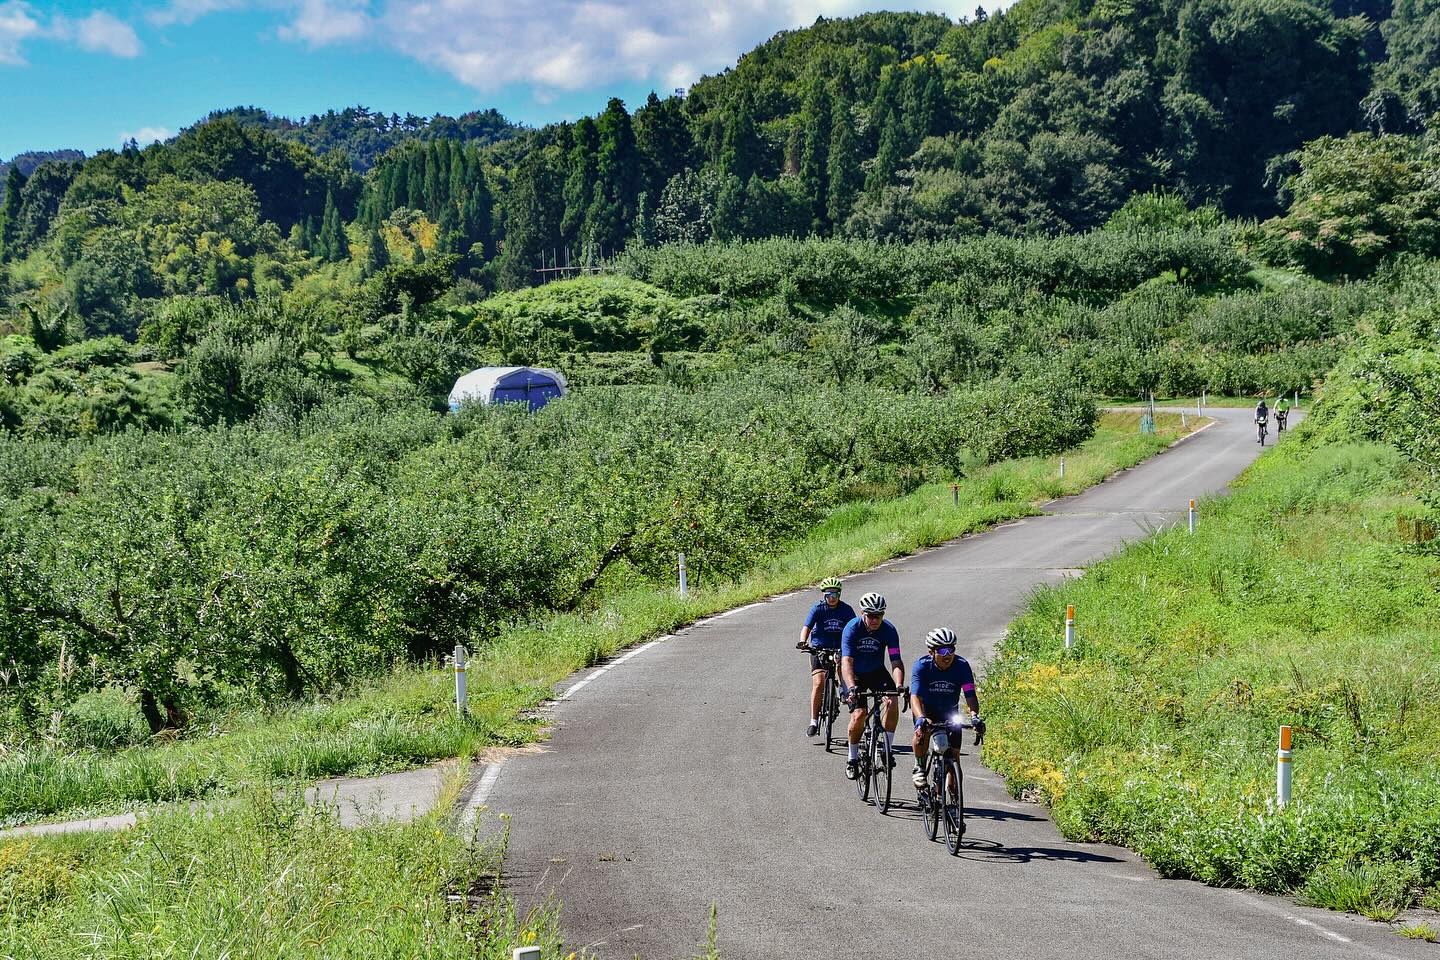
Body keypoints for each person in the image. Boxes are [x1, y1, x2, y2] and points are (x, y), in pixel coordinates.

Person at [839, 592, 905, 781]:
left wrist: (899, 685)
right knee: (859, 714)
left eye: (879, 615)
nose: (875, 619)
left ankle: (887, 749)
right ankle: (852, 759)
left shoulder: (889, 630)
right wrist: (851, 687)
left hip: (877, 672)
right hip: (855, 674)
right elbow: (846, 661)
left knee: (892, 702)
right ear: (862, 613)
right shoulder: (852, 628)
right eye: (871, 615)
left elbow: (896, 661)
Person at [910, 627, 983, 790]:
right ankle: (919, 766)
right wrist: (920, 717)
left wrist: (974, 716)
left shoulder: (962, 666)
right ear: (931, 652)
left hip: (950, 713)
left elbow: (970, 694)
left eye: (951, 649)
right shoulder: (921, 667)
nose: (948, 655)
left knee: (954, 758)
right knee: (924, 731)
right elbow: (915, 697)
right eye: (942, 650)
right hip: (926, 711)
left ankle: (954, 800)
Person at [796, 577, 856, 737]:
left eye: (835, 595)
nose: (832, 598)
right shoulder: (817, 609)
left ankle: (844, 690)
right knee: (818, 683)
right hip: (819, 648)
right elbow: (806, 626)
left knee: (841, 664)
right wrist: (803, 641)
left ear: (840, 595)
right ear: (824, 595)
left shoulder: (846, 610)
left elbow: (854, 629)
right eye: (829, 595)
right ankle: (813, 721)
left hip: (839, 647)